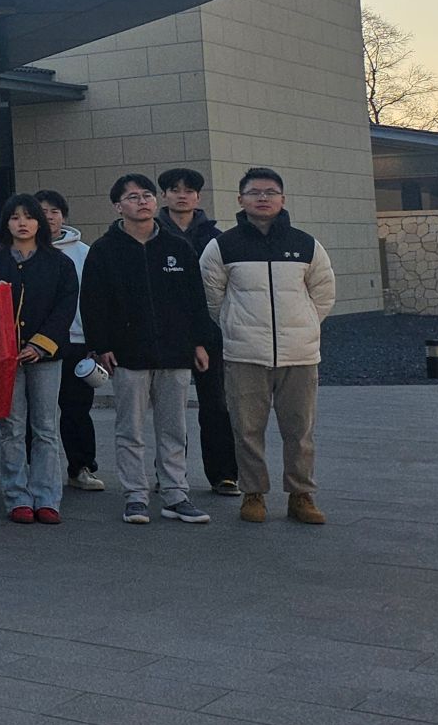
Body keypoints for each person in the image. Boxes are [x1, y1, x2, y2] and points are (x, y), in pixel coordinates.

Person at [200, 167, 336, 527]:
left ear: (283, 199)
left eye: (271, 192)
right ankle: (253, 493)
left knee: (299, 430)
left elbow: (323, 294)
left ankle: (301, 495)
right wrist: (235, 325)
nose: (263, 198)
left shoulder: (306, 244)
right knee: (247, 430)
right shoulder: (223, 246)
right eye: (255, 192)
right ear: (240, 199)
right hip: (245, 354)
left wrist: (304, 325)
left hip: (300, 354)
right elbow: (212, 297)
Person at [79, 173, 215, 527]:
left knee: (174, 429)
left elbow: (195, 300)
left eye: (147, 195)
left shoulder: (177, 247)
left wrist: (199, 342)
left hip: (176, 351)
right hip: (128, 354)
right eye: (132, 197)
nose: (142, 201)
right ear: (117, 206)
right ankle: (135, 496)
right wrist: (101, 346)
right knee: (130, 430)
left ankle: (176, 494)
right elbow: (92, 302)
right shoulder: (104, 250)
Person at [0, 195, 78, 525]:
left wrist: (40, 344)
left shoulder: (59, 263)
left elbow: (65, 308)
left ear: (39, 223)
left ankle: (47, 497)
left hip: (46, 356)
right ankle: (17, 496)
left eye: (29, 217)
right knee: (12, 427)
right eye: (15, 217)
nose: (22, 223)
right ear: (5, 222)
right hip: (5, 357)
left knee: (45, 428)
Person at [158, 167, 239, 496]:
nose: (182, 195)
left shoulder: (215, 238)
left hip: (210, 333)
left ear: (198, 196)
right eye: (175, 189)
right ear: (164, 195)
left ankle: (224, 474)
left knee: (216, 404)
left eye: (188, 190)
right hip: (166, 333)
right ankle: (168, 474)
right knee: (169, 410)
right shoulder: (152, 235)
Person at [34, 189, 104, 492]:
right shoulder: (23, 250)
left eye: (55, 211)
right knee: (35, 413)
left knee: (76, 409)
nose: (49, 217)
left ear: (64, 216)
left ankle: (81, 468)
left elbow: (95, 300)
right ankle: (34, 470)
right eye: (42, 211)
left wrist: (95, 342)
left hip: (76, 341)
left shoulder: (84, 252)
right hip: (35, 344)